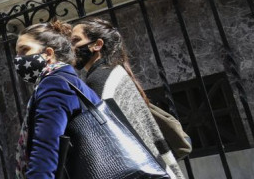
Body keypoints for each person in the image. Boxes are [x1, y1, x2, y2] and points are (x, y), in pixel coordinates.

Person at [72, 17, 185, 179]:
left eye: (76, 40)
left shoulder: (98, 80)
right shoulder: (116, 73)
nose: (71, 47)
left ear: (97, 45)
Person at [14, 20, 100, 179]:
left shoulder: (55, 84)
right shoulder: (70, 81)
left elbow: (46, 148)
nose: (18, 59)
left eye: (24, 50)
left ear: (48, 53)